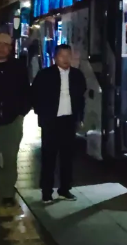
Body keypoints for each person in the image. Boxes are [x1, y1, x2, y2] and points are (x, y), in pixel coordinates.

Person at [32, 44, 86, 204]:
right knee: (48, 157)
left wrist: (79, 117)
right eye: (62, 55)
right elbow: (35, 95)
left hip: (68, 120)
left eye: (68, 55)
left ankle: (64, 189)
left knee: (67, 157)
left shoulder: (77, 75)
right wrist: (42, 114)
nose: (66, 59)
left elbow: (81, 98)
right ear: (55, 57)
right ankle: (46, 192)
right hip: (51, 121)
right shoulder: (45, 75)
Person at [0, 33, 32, 207]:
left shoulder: (18, 67)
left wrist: (21, 114)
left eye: (6, 45)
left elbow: (27, 92)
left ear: (11, 48)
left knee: (10, 158)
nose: (2, 48)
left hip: (12, 120)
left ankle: (7, 193)